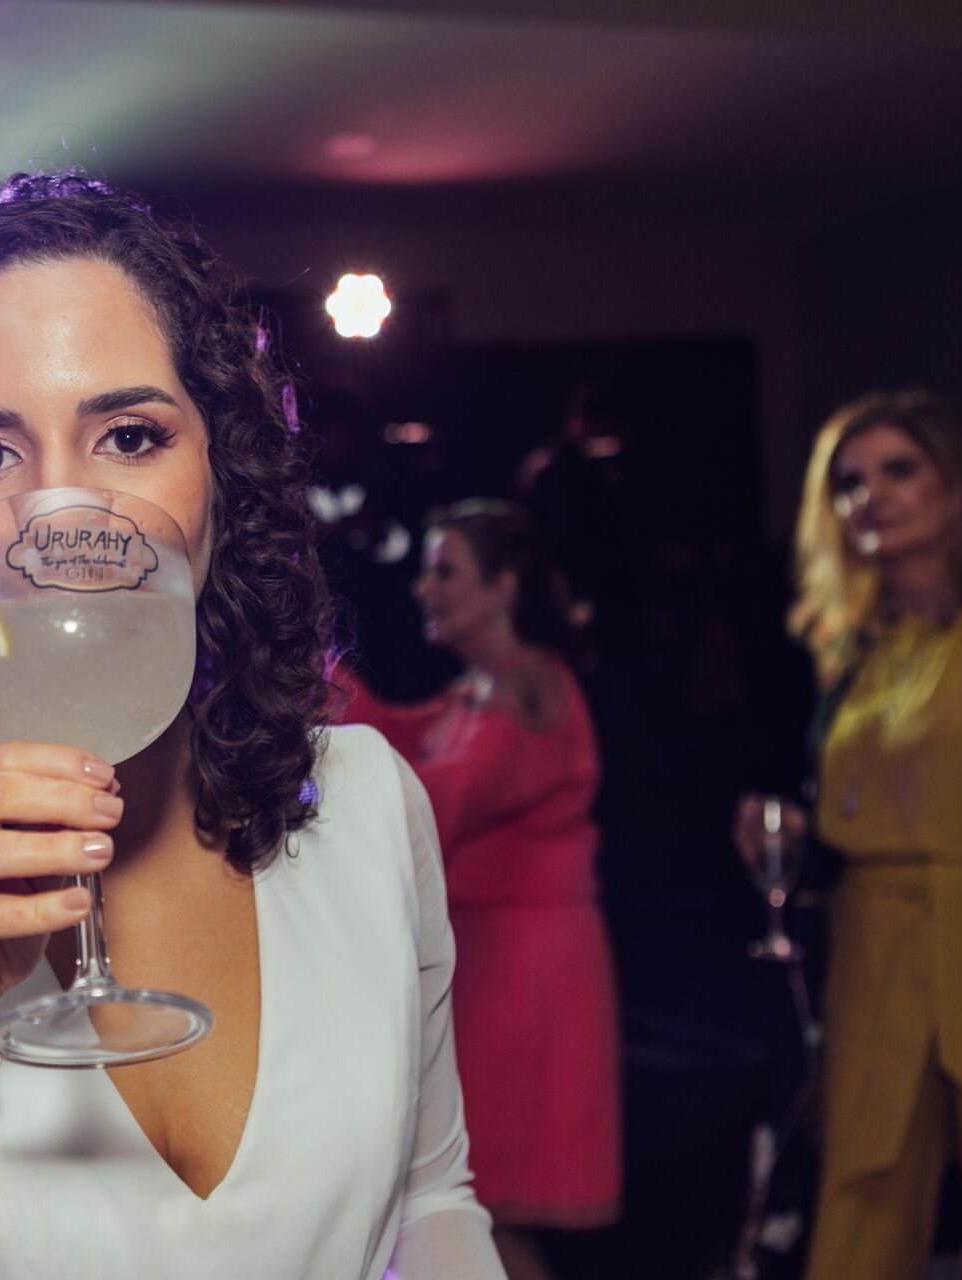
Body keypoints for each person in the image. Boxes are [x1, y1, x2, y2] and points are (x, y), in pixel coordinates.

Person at [0, 173, 503, 1279]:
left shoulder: (362, 801)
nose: (61, 524)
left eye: (127, 434)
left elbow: (430, 1201)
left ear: (225, 473)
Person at [733, 390, 962, 1279]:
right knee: (856, 1218)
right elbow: (852, 811)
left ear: (958, 483)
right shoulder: (856, 651)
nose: (870, 495)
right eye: (849, 481)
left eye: (898, 469)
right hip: (868, 940)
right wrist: (795, 836)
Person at [337, 499, 620, 1280]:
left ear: (504, 587)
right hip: (494, 961)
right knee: (474, 1206)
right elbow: (389, 732)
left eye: (445, 571)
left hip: (527, 974)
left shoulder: (524, 688)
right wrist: (309, 664)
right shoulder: (481, 690)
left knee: (487, 1205)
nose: (424, 589)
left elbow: (433, 802)